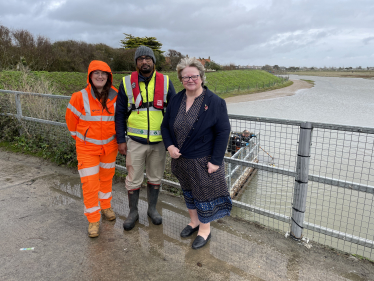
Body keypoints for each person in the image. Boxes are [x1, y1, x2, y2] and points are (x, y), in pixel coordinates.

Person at [161, 57, 232, 249]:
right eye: (185, 77)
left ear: (201, 77)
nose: (190, 80)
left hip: (203, 160)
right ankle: (193, 222)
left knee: (203, 196)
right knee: (188, 193)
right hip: (181, 160)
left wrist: (216, 161)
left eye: (194, 76)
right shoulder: (176, 100)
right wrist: (169, 147)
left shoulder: (215, 102)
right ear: (181, 79)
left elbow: (223, 131)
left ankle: (204, 230)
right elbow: (165, 126)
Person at [115, 45, 176, 231]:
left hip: (159, 143)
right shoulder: (126, 83)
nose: (144, 61)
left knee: (155, 177)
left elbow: (173, 113)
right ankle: (133, 212)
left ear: (153, 61)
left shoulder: (165, 82)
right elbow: (119, 114)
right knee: (133, 179)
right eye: (140, 59)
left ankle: (152, 209)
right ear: (136, 63)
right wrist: (121, 140)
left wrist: (172, 141)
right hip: (134, 141)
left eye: (147, 58)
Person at [65, 60, 118, 238]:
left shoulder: (116, 95)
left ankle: (105, 206)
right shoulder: (79, 97)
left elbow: (120, 120)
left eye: (104, 73)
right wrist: (84, 139)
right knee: (90, 184)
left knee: (106, 179)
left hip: (110, 147)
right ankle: (93, 219)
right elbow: (71, 124)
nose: (100, 76)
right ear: (90, 75)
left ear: (109, 77)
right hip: (87, 149)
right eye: (96, 73)